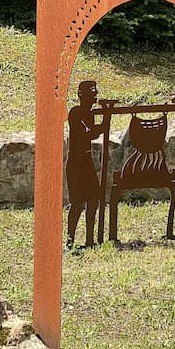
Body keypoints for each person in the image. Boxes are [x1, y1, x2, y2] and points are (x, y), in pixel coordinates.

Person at [66, 80, 106, 248]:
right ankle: (70, 240)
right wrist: (104, 124)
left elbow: (93, 134)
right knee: (77, 203)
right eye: (91, 94)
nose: (94, 97)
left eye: (94, 94)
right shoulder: (75, 112)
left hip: (86, 160)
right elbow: (86, 134)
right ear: (81, 95)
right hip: (76, 163)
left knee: (93, 199)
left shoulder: (89, 114)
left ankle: (90, 240)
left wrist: (103, 124)